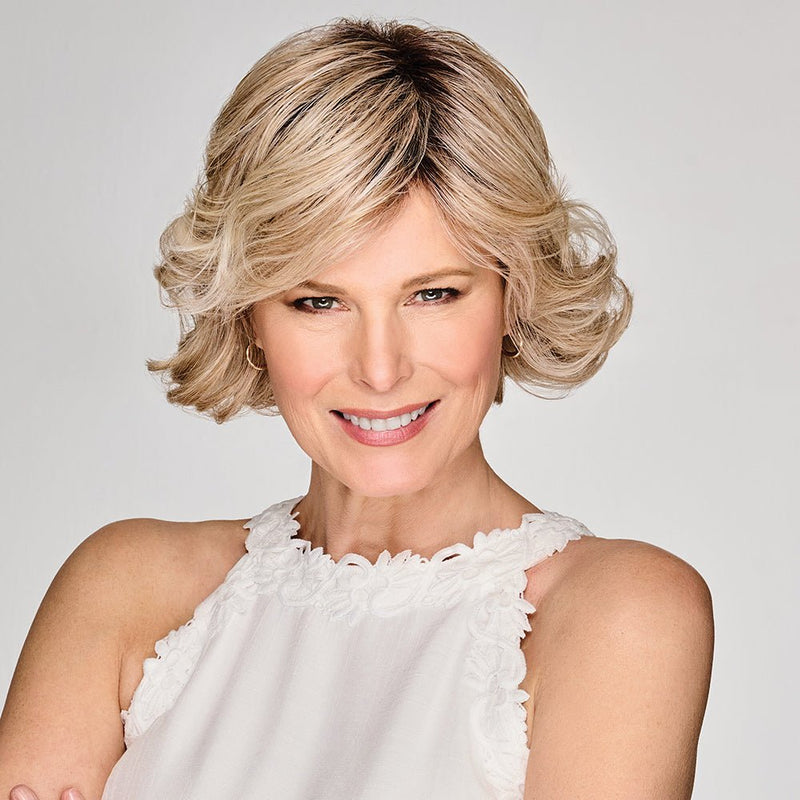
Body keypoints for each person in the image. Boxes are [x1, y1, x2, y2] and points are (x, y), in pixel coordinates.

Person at [0, 16, 714, 800]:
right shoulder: (124, 588)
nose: (380, 369)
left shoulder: (618, 614)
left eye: (434, 294)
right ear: (248, 316)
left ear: (513, 295)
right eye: (318, 301)